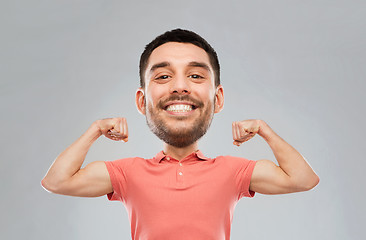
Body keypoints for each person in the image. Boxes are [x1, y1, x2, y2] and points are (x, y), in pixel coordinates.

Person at [41, 29, 319, 240]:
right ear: (141, 102)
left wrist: (263, 130)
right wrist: (95, 130)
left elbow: (303, 179)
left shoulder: (232, 171)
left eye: (196, 76)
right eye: (163, 76)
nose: (180, 87)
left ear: (218, 99)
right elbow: (57, 181)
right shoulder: (128, 173)